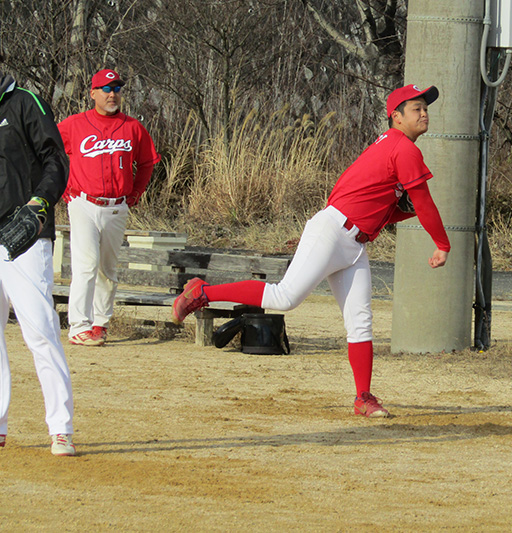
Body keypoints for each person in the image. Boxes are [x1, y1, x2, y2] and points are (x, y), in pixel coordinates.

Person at [172, 84, 450, 418]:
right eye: (416, 108)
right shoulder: (402, 148)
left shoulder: (392, 147)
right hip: (333, 231)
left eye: (425, 107)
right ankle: (203, 291)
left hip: (354, 243)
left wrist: (406, 210)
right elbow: (422, 200)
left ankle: (363, 397)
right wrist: (442, 244)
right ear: (397, 116)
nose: (424, 113)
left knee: (360, 322)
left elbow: (386, 208)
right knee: (284, 297)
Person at [0, 42, 76, 456]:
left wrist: (40, 204)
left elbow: (56, 158)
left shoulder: (23, 103)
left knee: (39, 331)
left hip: (22, 239)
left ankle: (61, 427)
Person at [57, 69, 160, 346]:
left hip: (116, 206)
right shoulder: (75, 124)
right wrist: (62, 185)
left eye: (116, 88)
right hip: (83, 203)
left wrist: (136, 191)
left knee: (107, 268)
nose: (112, 93)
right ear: (92, 93)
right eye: (105, 88)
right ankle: (79, 325)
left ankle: (100, 323)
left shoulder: (132, 127)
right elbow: (48, 149)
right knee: (86, 264)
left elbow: (148, 161)